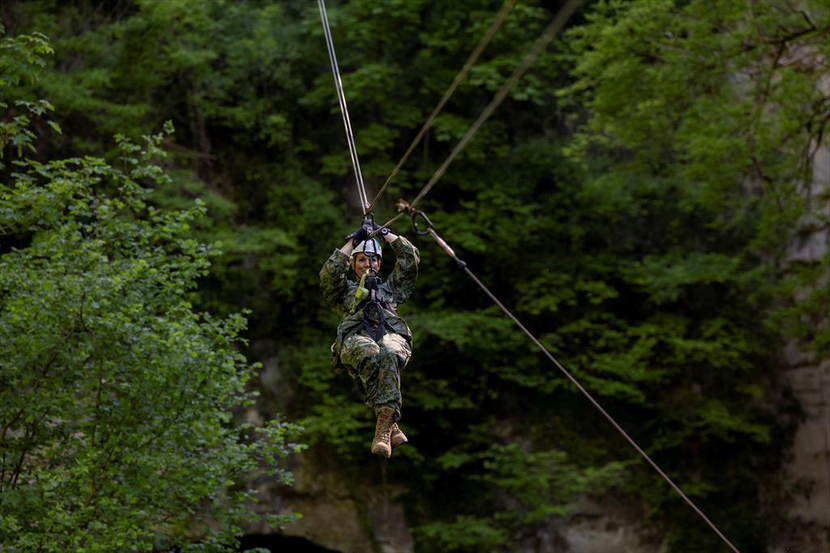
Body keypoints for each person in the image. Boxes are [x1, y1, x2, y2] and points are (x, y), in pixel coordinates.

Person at [319, 220, 420, 458]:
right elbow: (329, 274)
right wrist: (352, 241)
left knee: (390, 352)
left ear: (380, 263)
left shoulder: (391, 290)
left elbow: (409, 260)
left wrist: (385, 234)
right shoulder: (343, 292)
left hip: (390, 331)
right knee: (370, 353)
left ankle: (384, 427)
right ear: (353, 264)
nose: (368, 264)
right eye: (362, 259)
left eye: (373, 259)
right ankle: (388, 425)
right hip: (356, 335)